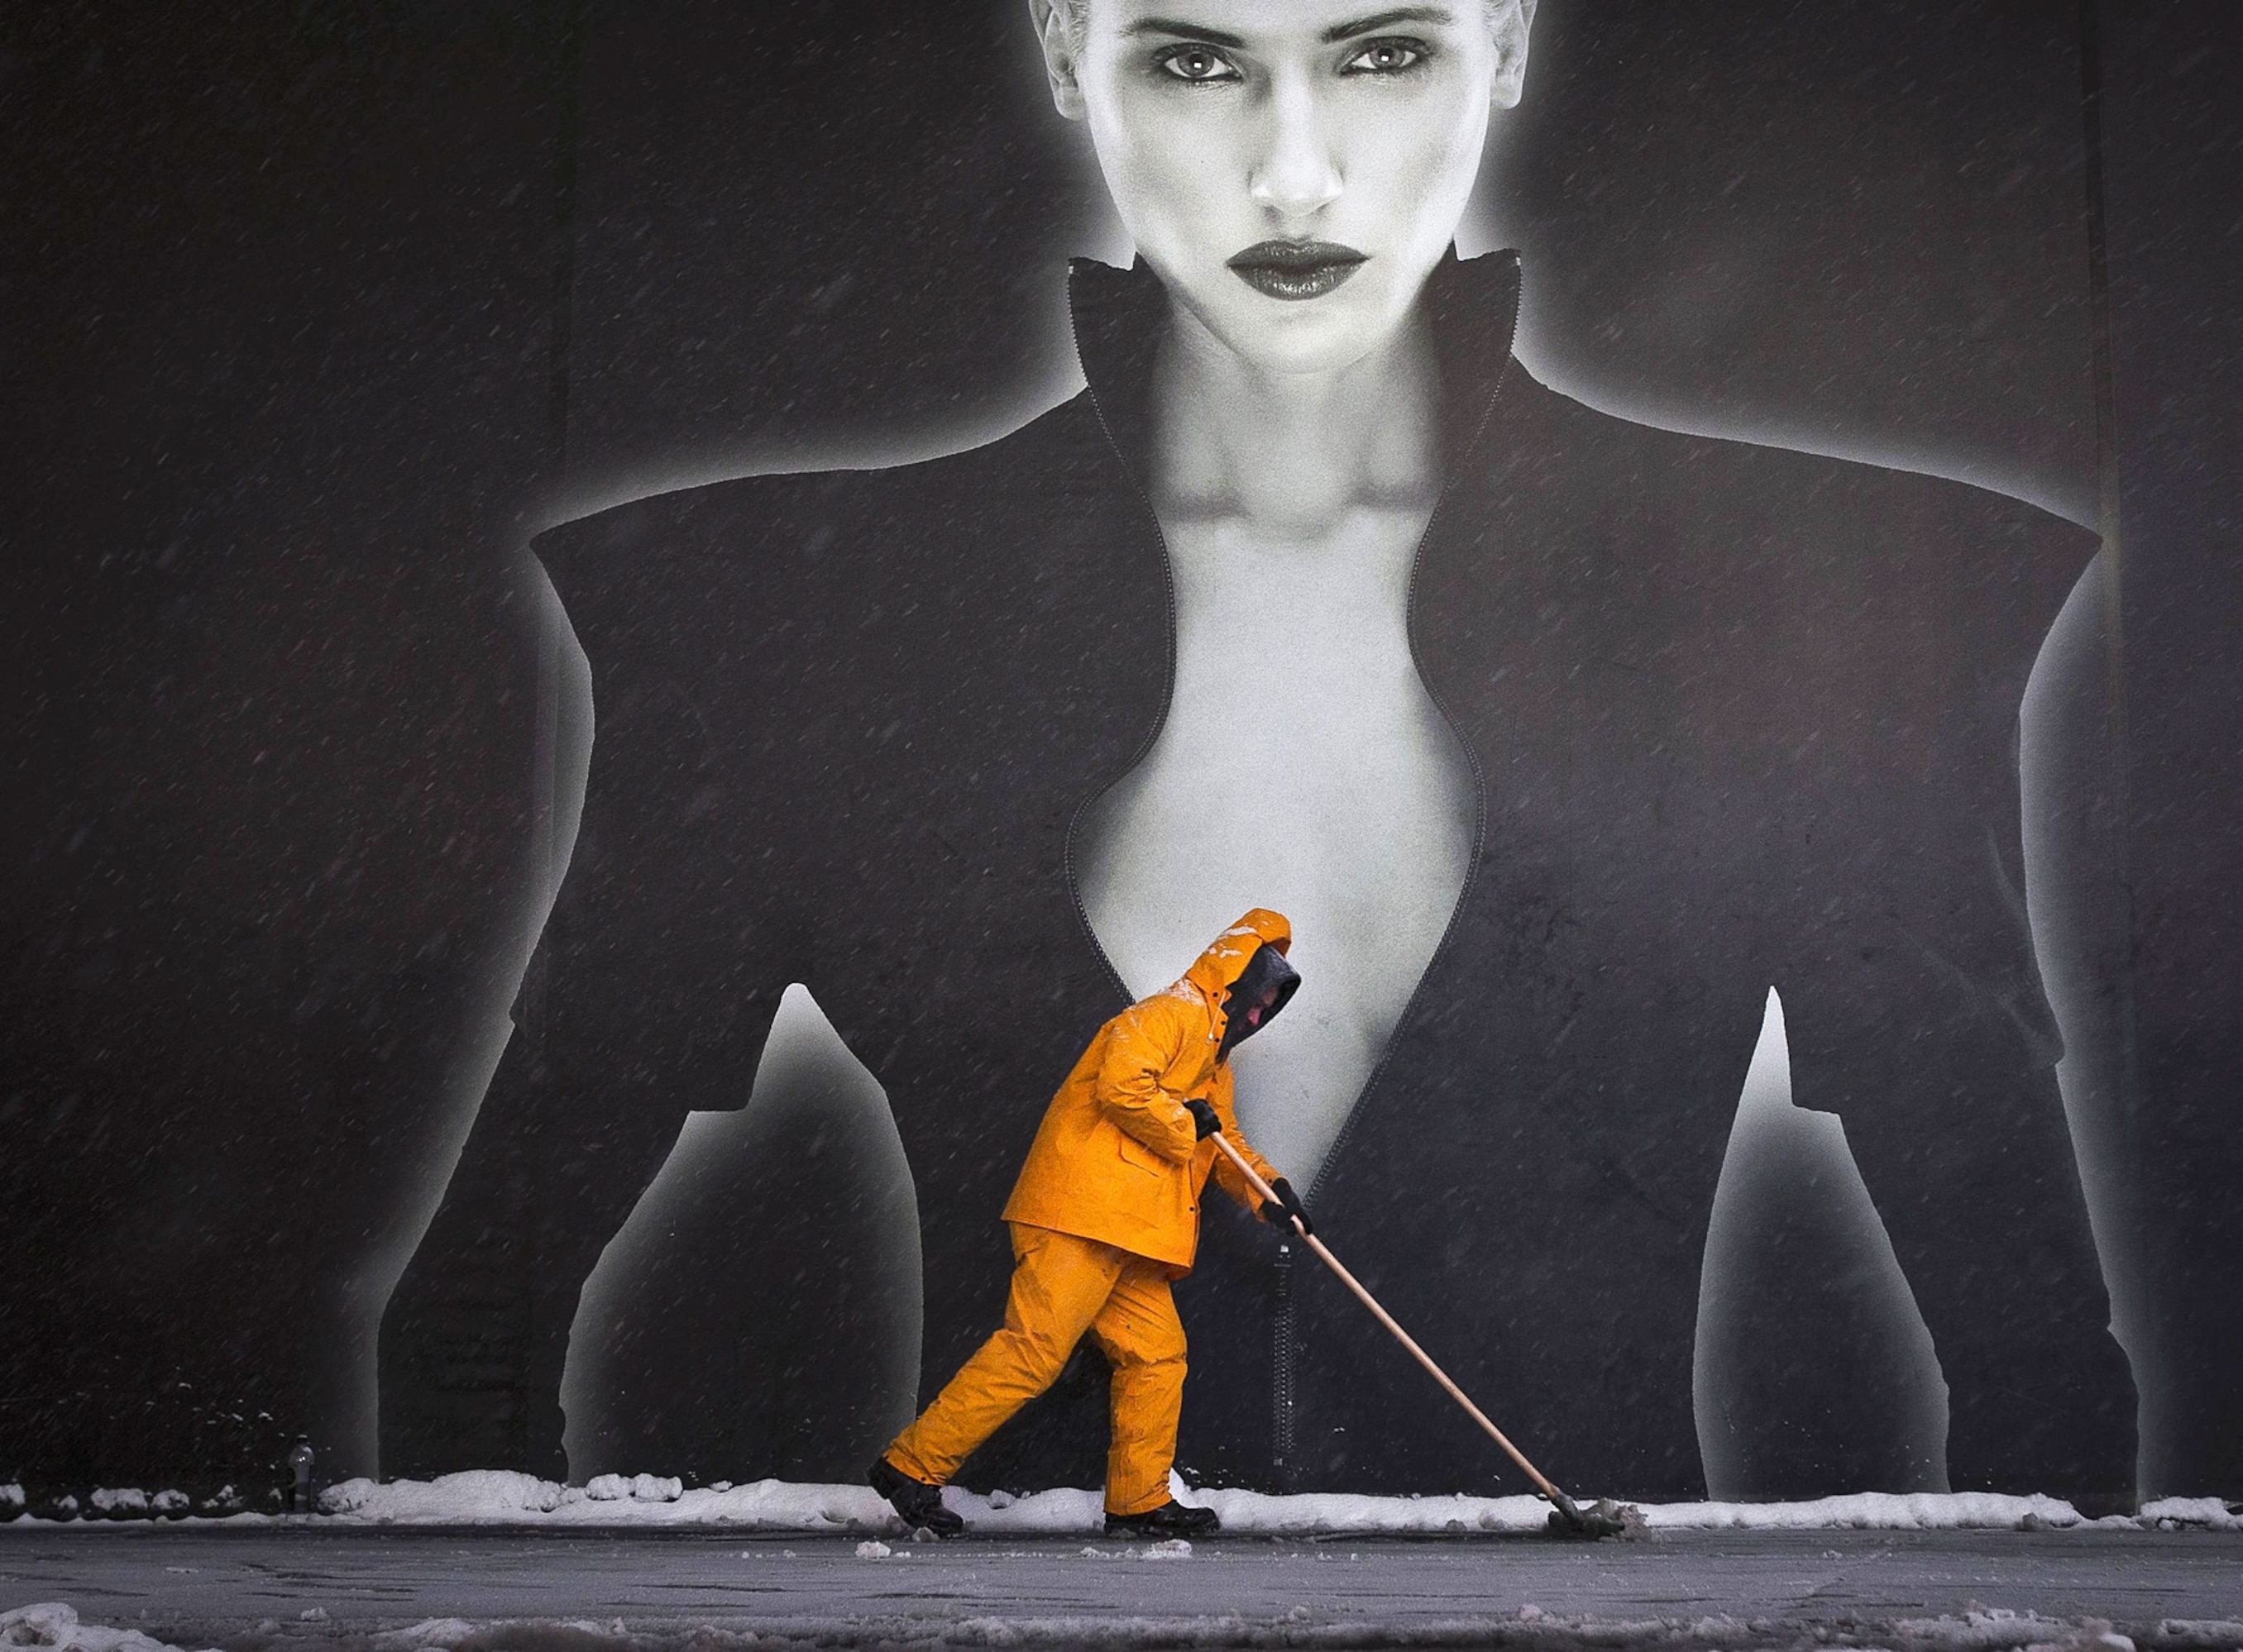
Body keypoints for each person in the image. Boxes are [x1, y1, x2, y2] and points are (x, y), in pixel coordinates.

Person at [385, 0, 2137, 1503]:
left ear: (1507, 39)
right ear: (1069, 51)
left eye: (1379, 52)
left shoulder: (1818, 595)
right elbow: (472, 1324)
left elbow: (2036, 1355)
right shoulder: (769, 623)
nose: (1295, 174)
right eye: (1197, 60)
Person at [868, 910, 1305, 1538]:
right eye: (1259, 1000)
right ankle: (909, 1467)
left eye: (1271, 1009)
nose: (1259, 1017)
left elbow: (1223, 1144)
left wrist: (1272, 1196)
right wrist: (1188, 1121)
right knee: (1033, 1351)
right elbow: (1123, 1087)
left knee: (1158, 1355)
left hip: (1129, 1234)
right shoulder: (1165, 1016)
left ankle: (1138, 1499)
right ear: (1237, 980)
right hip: (1081, 1217)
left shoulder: (1215, 1069)